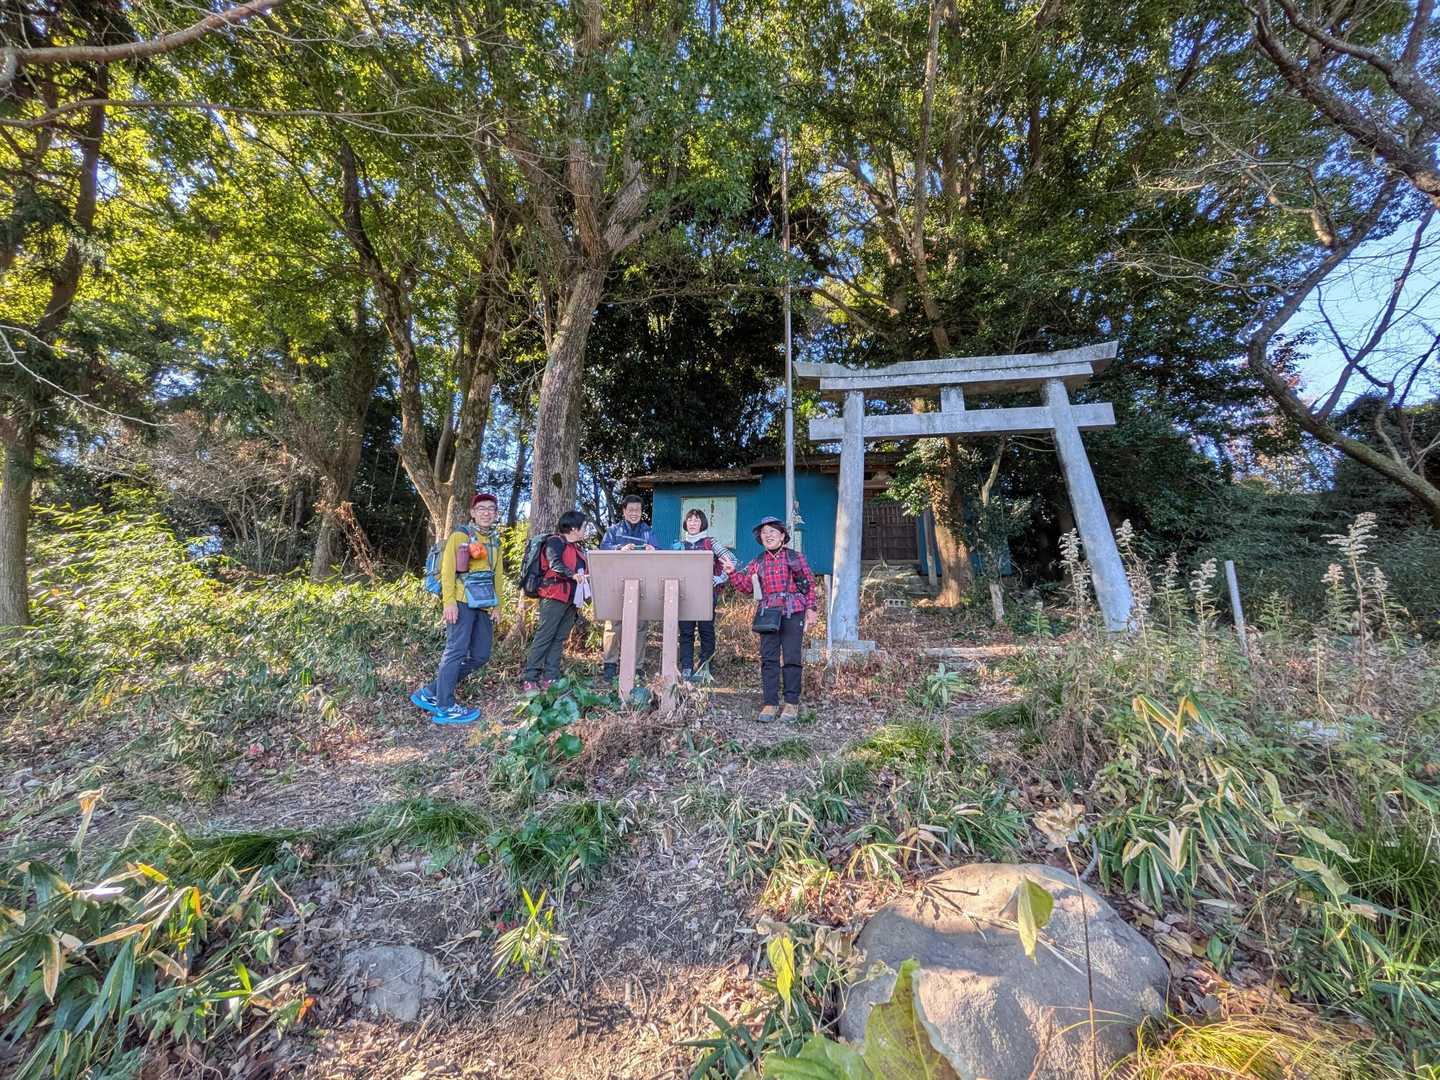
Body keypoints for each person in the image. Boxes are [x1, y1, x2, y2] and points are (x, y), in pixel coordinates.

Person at [412, 493, 503, 725]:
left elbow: (498, 576)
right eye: (481, 508)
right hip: (461, 601)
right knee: (456, 651)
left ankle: (431, 692)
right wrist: (449, 602)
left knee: (481, 655)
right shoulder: (460, 535)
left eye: (491, 509)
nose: (486, 512)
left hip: (484, 604)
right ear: (473, 513)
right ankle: (445, 707)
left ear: (496, 513)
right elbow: (447, 570)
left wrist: (498, 605)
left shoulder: (495, 541)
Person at [726, 516, 818, 723]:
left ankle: (791, 703)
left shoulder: (795, 557)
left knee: (792, 658)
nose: (768, 535)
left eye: (773, 531)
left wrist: (811, 608)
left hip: (794, 611)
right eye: (764, 532)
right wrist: (732, 573)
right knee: (769, 659)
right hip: (767, 615)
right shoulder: (757, 562)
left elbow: (810, 584)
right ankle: (770, 702)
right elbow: (747, 588)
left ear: (782, 536)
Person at [523, 510, 590, 690]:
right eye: (584, 527)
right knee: (545, 635)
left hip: (571, 599)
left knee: (559, 637)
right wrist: (572, 575)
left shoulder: (577, 549)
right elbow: (555, 563)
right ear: (574, 528)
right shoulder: (555, 542)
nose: (586, 530)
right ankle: (530, 678)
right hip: (553, 596)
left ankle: (551, 677)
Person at [598, 495, 657, 680]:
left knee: (641, 624)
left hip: (641, 582)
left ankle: (636, 666)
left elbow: (658, 552)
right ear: (623, 511)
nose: (634, 513)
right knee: (614, 622)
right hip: (616, 581)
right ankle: (610, 664)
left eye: (637, 510)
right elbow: (603, 549)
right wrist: (619, 549)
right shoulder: (613, 530)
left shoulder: (648, 531)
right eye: (630, 510)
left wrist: (652, 550)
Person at [671, 507, 731, 680]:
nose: (692, 523)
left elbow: (731, 560)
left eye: (696, 520)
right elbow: (670, 566)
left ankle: (706, 667)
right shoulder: (679, 544)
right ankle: (687, 667)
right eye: (690, 520)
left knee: (706, 630)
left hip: (706, 593)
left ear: (702, 523)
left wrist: (719, 578)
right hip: (684, 593)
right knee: (686, 632)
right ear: (685, 523)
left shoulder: (711, 543)